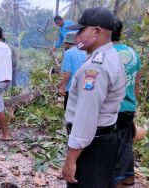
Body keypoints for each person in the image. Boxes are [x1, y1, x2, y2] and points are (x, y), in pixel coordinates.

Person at [61, 7, 126, 188]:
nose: (77, 36)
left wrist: (71, 160)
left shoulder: (96, 67)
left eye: (81, 30)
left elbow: (85, 118)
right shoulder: (110, 56)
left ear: (96, 31)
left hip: (92, 147)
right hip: (104, 140)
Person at [112, 18, 141, 188]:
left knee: (109, 149)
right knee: (124, 146)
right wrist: (133, 104)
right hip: (128, 107)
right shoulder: (133, 53)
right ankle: (126, 180)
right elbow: (136, 84)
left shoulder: (105, 54)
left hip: (111, 109)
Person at [59, 31, 86, 110]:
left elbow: (68, 72)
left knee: (69, 113)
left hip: (71, 88)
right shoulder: (85, 51)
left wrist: (63, 86)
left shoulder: (68, 53)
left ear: (67, 43)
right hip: (84, 87)